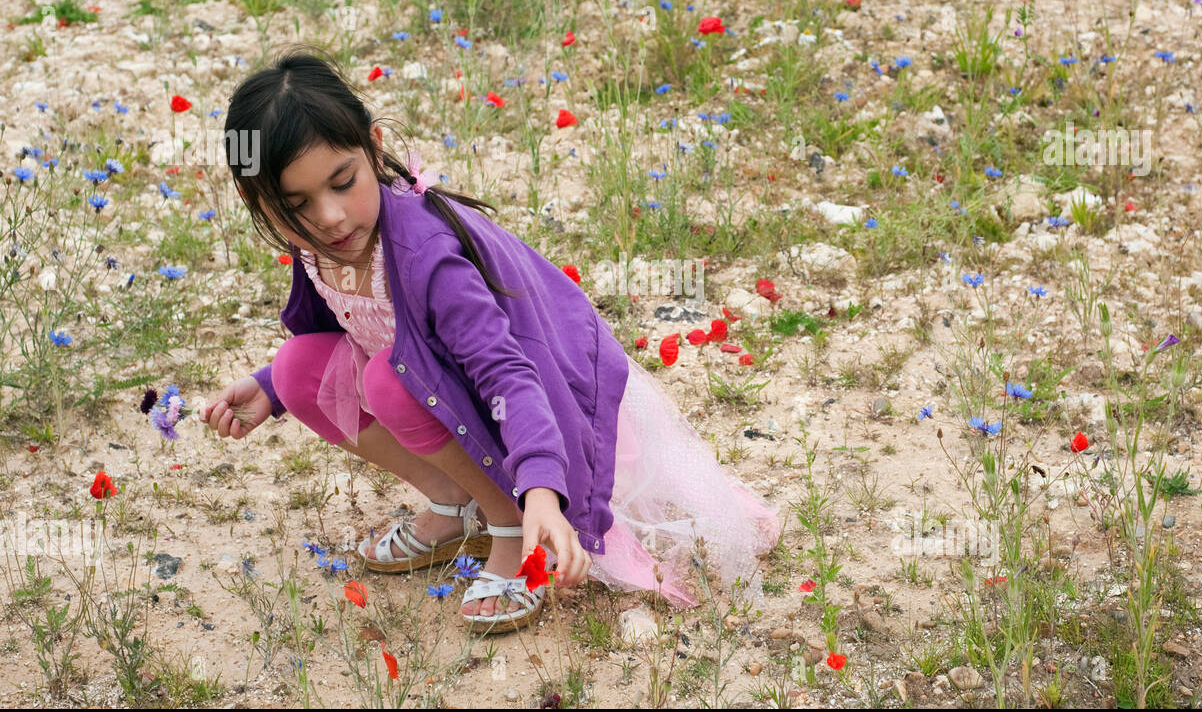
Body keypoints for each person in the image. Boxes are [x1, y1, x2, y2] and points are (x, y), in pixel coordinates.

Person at [198, 48, 781, 634]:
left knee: (389, 377)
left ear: (373, 148)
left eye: (344, 182)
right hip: (442, 396)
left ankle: (509, 523)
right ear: (261, 202)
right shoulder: (321, 249)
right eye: (296, 205)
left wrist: (543, 495)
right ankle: (456, 505)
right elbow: (344, 331)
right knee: (299, 366)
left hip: (533, 404)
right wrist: (272, 387)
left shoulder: (427, 256)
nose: (329, 217)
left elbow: (509, 374)